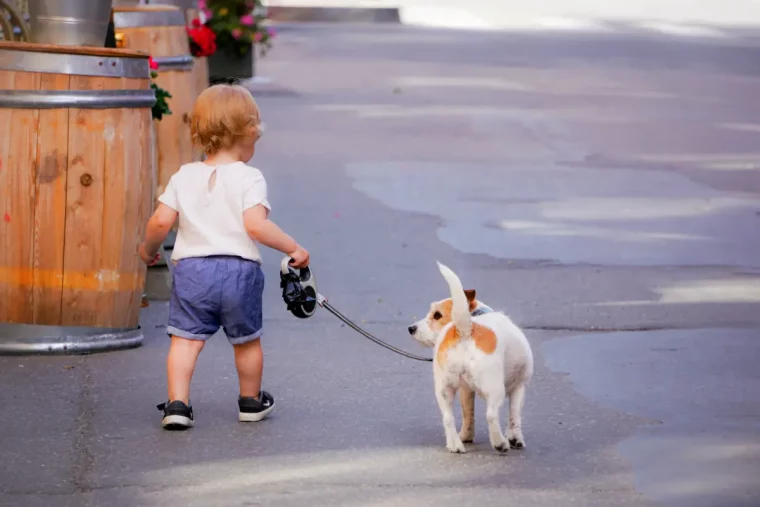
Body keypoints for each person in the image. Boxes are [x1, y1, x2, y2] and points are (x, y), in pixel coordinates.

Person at [139, 84, 309, 430]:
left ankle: (177, 404)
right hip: (239, 271)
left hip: (192, 272)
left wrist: (148, 250)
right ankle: (250, 401)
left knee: (185, 342)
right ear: (248, 134)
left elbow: (160, 221)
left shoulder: (184, 175)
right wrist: (293, 248)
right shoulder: (250, 177)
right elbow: (256, 226)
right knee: (246, 342)